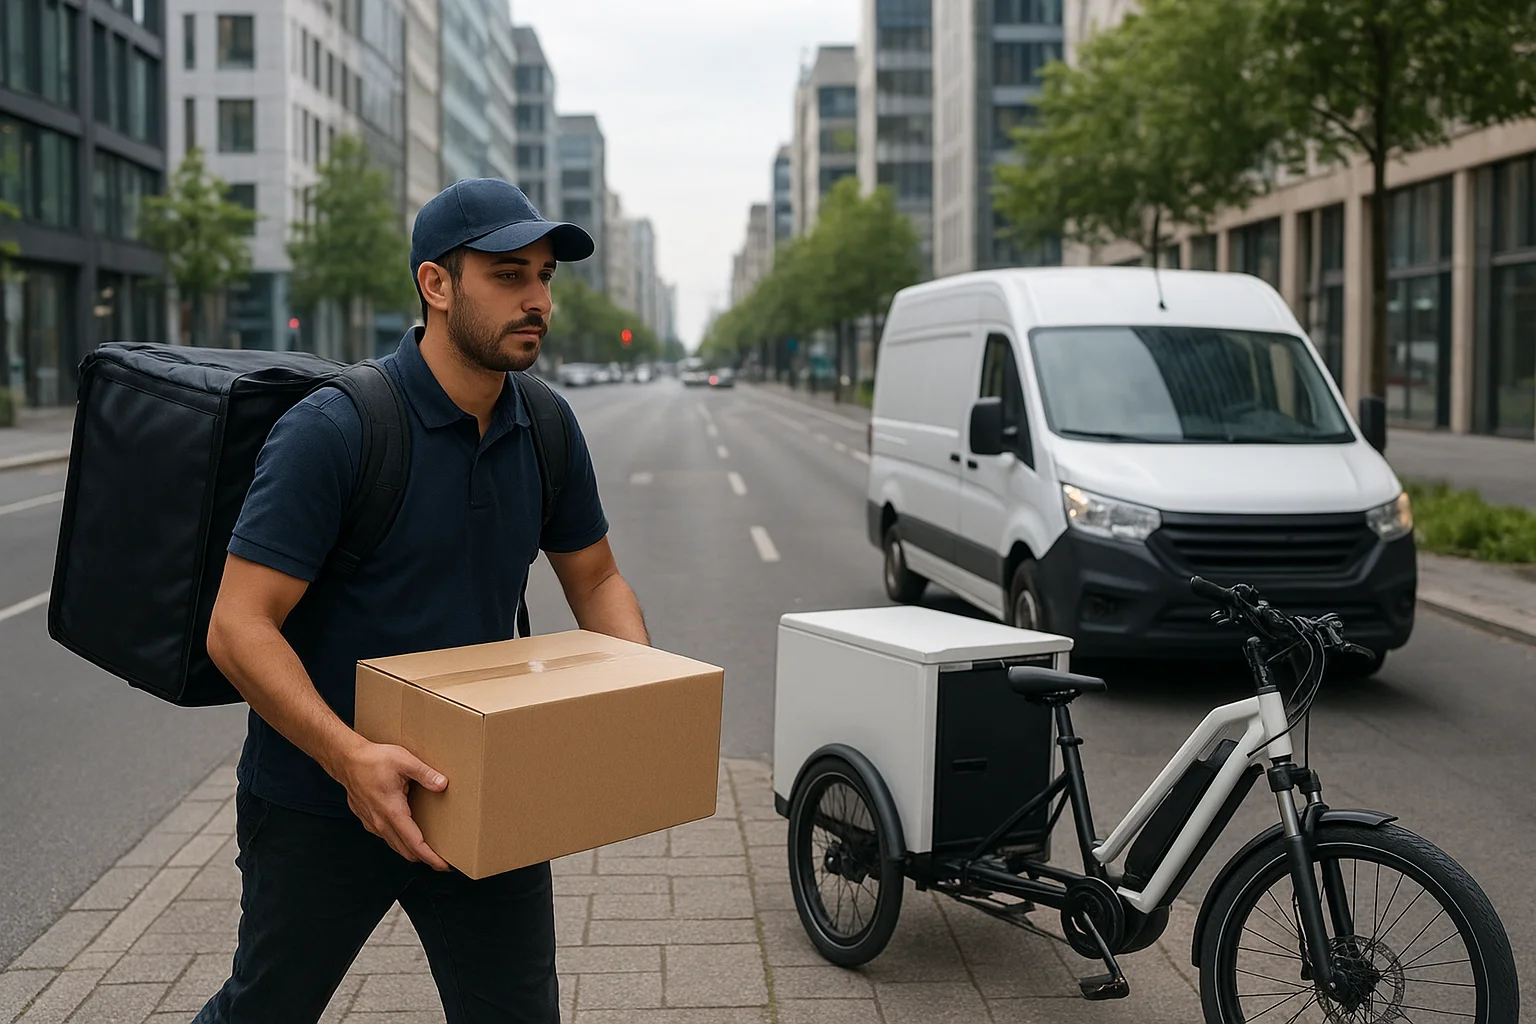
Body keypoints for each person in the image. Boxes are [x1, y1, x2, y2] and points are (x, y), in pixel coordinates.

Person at [193, 178, 648, 1024]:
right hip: (324, 800)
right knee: (265, 1011)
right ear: (437, 286)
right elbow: (237, 625)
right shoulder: (336, 430)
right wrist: (350, 759)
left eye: (545, 276)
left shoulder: (545, 425)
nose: (539, 301)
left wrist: (639, 703)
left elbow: (597, 579)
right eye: (509, 276)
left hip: (485, 789)